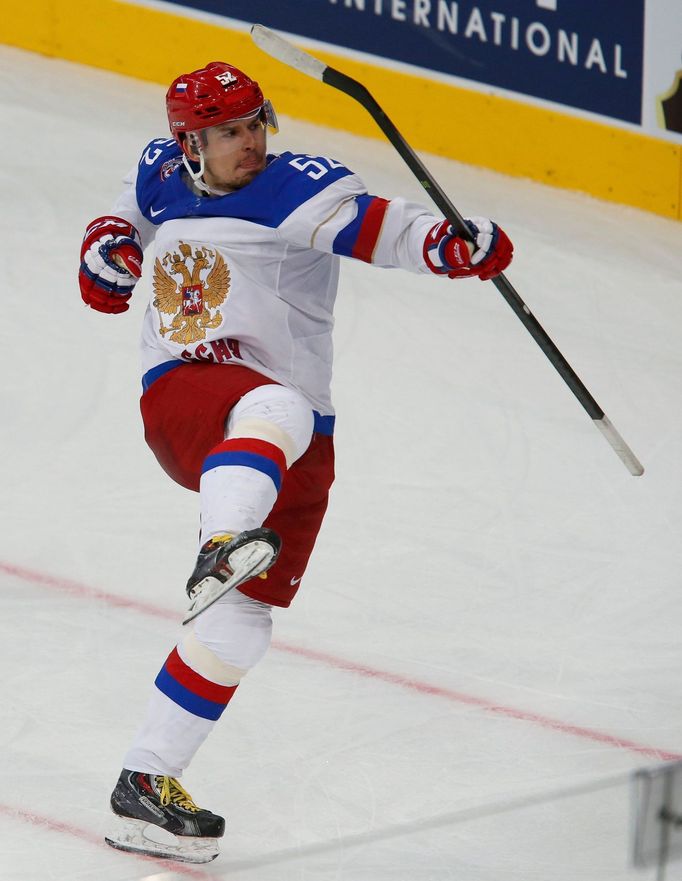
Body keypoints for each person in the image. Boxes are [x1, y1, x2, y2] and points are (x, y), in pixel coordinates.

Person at [78, 60, 513, 864]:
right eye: (228, 132)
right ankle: (222, 543)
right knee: (269, 408)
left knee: (241, 621)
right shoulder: (157, 172)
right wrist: (105, 257)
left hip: (292, 442)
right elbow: (120, 223)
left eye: (255, 123)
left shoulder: (303, 189)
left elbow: (393, 230)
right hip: (188, 397)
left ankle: (145, 780)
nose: (249, 142)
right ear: (188, 144)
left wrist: (456, 245)